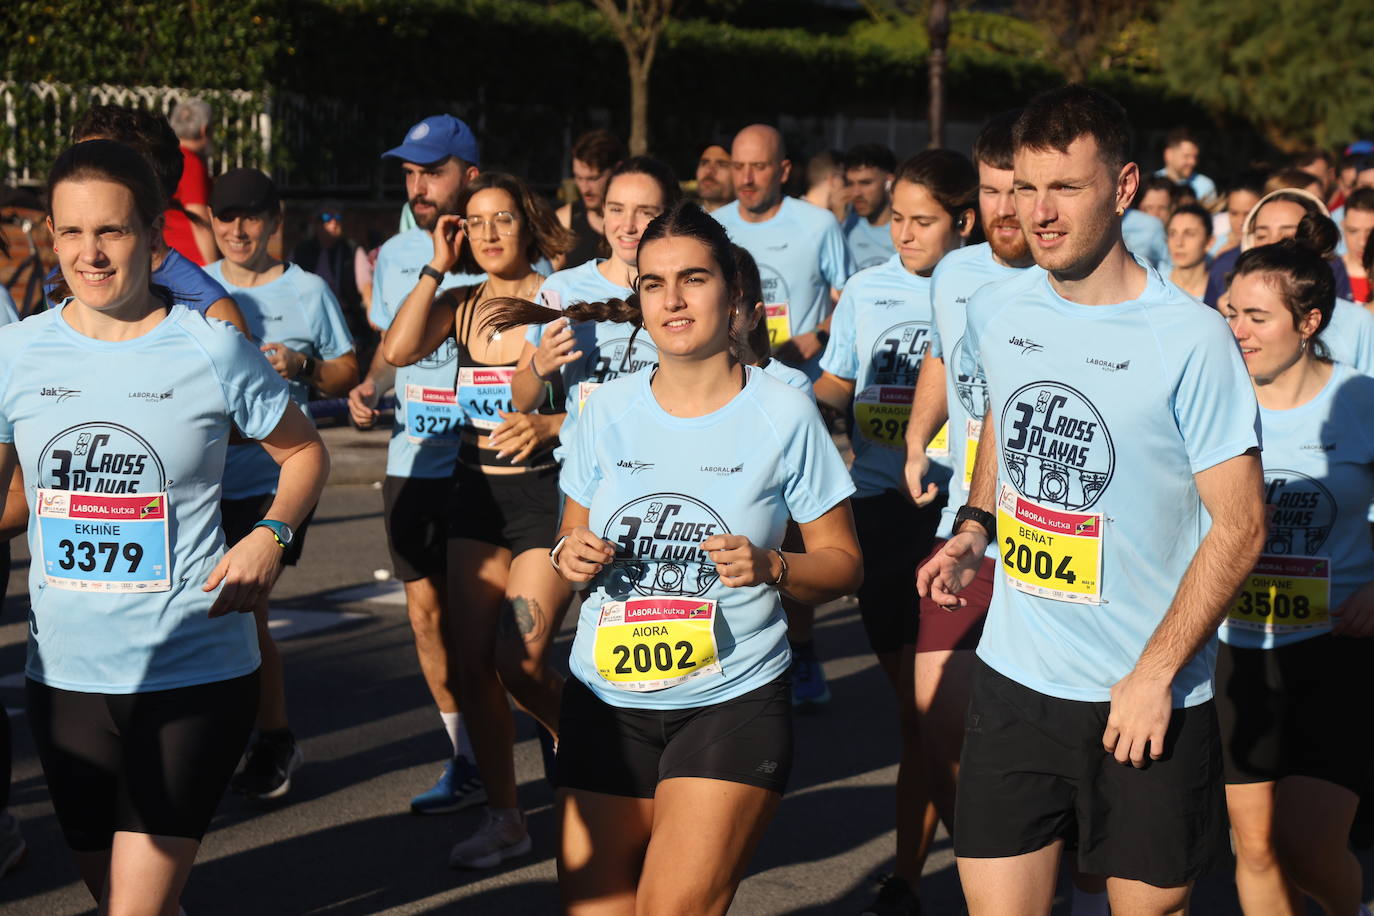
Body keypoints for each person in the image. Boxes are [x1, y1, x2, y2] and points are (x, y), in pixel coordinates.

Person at [919, 86, 1266, 915]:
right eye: (1024, 186)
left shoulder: (1191, 340)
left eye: (1065, 188)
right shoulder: (1000, 306)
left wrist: (1154, 673)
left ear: (1123, 187)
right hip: (1016, 682)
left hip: (1145, 695)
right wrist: (975, 524)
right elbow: (1007, 416)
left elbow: (1243, 525)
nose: (1036, 212)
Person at [5, 138, 327, 914]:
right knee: (116, 891)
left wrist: (270, 536)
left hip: (193, 667)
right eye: (73, 232)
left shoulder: (210, 346)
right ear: (50, 236)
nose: (91, 252)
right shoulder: (15, 352)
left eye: (111, 231)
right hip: (67, 675)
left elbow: (304, 454)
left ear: (153, 236)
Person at [535, 199, 861, 915]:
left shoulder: (783, 411)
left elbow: (842, 564)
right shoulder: (604, 410)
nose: (673, 299)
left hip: (730, 700)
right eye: (654, 283)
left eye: (693, 279)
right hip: (604, 698)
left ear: (735, 295)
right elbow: (567, 542)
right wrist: (570, 556)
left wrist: (774, 566)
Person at [382, 171, 575, 868]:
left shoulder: (561, 299)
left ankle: (584, 737)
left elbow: (601, 398)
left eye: (503, 220)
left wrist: (552, 422)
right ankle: (507, 817)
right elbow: (399, 351)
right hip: (474, 495)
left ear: (529, 224)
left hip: (542, 498)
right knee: (473, 666)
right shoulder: (461, 304)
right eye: (477, 223)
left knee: (517, 660)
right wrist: (436, 265)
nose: (490, 235)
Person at [813, 148, 976, 915]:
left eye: (923, 221)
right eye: (898, 219)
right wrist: (760, 371)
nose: (903, 234)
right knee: (918, 718)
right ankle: (925, 871)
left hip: (961, 523)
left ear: (963, 222)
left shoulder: (988, 291)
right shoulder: (868, 290)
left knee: (935, 711)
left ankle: (961, 870)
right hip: (880, 508)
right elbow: (837, 385)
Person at [1218, 218, 1374, 916]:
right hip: (1234, 650)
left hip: (1337, 647)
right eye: (1231, 314)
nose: (1239, 330)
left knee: (1308, 845)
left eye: (1257, 316)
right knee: (1253, 849)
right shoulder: (1214, 400)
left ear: (1308, 320)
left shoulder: (1360, 400)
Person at [347, 115, 488, 815]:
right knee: (428, 617)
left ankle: (557, 744)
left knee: (496, 626)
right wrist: (372, 386)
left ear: (469, 173)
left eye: (431, 171)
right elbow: (388, 349)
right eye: (409, 172)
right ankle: (464, 758)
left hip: (487, 464)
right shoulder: (401, 250)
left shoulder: (508, 247)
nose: (418, 184)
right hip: (413, 459)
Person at [204, 168, 359, 800]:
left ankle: (271, 736)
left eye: (251, 216)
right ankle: (228, 731)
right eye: (225, 216)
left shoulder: (308, 289)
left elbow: (347, 370)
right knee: (214, 611)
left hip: (276, 479)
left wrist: (304, 366)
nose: (238, 229)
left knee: (245, 606)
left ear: (275, 220)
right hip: (200, 477)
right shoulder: (195, 287)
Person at [511, 157, 680, 466]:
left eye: (645, 212)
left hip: (660, 468)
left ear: (668, 216)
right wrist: (540, 365)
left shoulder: (683, 292)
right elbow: (522, 399)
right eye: (616, 209)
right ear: (603, 213)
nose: (628, 225)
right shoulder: (560, 287)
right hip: (583, 474)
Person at [63, 106, 249, 336]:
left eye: (98, 170)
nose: (77, 182)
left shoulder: (211, 313)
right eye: (73, 165)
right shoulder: (64, 278)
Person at [715, 125, 853, 378]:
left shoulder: (819, 224)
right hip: (731, 386)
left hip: (803, 381)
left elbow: (853, 298)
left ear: (784, 170)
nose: (746, 178)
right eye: (738, 166)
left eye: (758, 167)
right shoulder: (712, 227)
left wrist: (819, 335)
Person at [1206, 188, 1356, 310]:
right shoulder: (1225, 267)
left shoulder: (1333, 269)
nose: (1273, 243)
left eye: (1287, 235)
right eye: (1262, 235)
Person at [292, 201, 369, 348]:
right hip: (309, 318)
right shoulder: (301, 252)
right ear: (315, 223)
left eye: (338, 218)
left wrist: (370, 307)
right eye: (327, 217)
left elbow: (366, 284)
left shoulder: (352, 250)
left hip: (344, 319)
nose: (334, 222)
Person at [557, 130, 625, 270]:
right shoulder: (565, 221)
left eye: (593, 179)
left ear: (616, 170)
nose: (584, 189)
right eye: (579, 178)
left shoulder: (634, 223)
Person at [165, 98, 217, 265]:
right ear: (204, 130)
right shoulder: (190, 163)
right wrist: (214, 271)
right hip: (193, 262)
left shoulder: (169, 158)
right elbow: (199, 219)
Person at [842, 143, 898, 271]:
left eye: (865, 183)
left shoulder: (907, 232)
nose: (856, 193)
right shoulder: (844, 227)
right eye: (850, 183)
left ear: (889, 182)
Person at [1155, 127, 1218, 206]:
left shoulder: (1206, 186)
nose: (1193, 162)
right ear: (1168, 154)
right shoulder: (1151, 184)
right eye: (1186, 156)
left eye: (1195, 157)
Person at [1167, 203, 1213, 300]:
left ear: (1209, 242)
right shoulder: (1153, 285)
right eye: (1172, 234)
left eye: (1189, 234)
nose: (1178, 243)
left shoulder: (1220, 292)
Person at [1212, 174, 1265, 257]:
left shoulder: (1272, 246)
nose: (1241, 222)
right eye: (1234, 213)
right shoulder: (1213, 246)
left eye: (1248, 214)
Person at [1341, 188, 1374, 304]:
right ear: (1343, 226)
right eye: (1353, 231)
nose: (1362, 242)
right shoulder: (1328, 274)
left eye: (1371, 233)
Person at [801, 149, 848, 222]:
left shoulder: (796, 212)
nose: (846, 185)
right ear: (832, 180)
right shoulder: (821, 219)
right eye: (844, 178)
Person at [694, 142, 734, 213]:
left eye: (721, 164)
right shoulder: (682, 220)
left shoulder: (756, 221)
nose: (709, 170)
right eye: (704, 163)